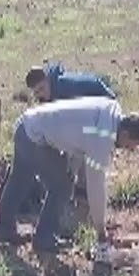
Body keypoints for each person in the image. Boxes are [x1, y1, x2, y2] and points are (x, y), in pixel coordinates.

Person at [0, 96, 139, 258]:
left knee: (20, 179)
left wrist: (73, 163)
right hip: (35, 138)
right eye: (136, 143)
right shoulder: (102, 137)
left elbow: (81, 132)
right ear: (126, 134)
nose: (133, 149)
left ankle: (4, 229)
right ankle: (44, 238)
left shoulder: (111, 110)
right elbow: (96, 186)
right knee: (62, 186)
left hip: (26, 125)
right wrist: (101, 230)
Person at [24, 62, 119, 200]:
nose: (41, 94)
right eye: (37, 92)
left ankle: (85, 191)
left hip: (103, 107)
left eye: (42, 88)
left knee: (86, 148)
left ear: (47, 80)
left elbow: (77, 130)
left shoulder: (65, 89)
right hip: (90, 112)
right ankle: (80, 189)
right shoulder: (52, 92)